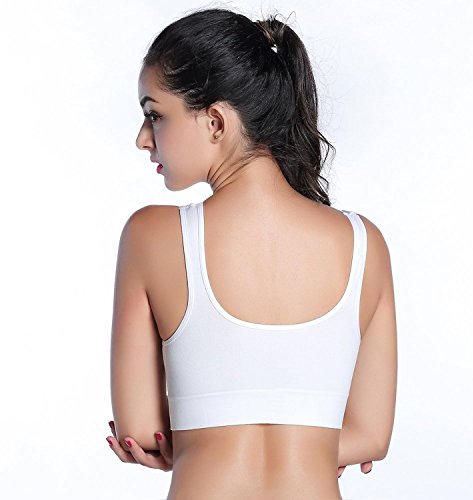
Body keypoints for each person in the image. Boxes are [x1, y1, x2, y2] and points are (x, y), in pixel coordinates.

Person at [106, 7, 397, 500]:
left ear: (215, 121)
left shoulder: (151, 235)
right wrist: (304, 445)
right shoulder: (364, 243)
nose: (143, 139)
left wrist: (202, 443)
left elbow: (141, 431)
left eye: (155, 115)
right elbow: (371, 435)